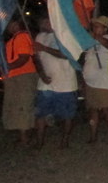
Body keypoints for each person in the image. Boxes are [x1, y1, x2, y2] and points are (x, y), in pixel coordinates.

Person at [33, 16, 79, 149]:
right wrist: (41, 73)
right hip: (46, 84)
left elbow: (67, 56)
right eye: (43, 21)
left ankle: (65, 140)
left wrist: (45, 48)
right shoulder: (40, 37)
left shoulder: (66, 35)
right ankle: (39, 142)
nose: (45, 23)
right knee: (41, 113)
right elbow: (36, 58)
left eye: (48, 20)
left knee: (67, 115)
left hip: (65, 83)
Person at [3, 17, 40, 146]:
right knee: (17, 106)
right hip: (15, 77)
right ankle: (23, 136)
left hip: (24, 76)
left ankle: (26, 138)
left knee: (24, 107)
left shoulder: (22, 37)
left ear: (15, 24)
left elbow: (23, 58)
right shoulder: (13, 39)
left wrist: (7, 66)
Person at [82, 16, 108, 144]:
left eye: (98, 26)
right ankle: (93, 137)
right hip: (91, 82)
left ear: (105, 28)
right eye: (94, 26)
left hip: (103, 82)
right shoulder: (91, 40)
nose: (95, 28)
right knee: (93, 110)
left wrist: (95, 36)